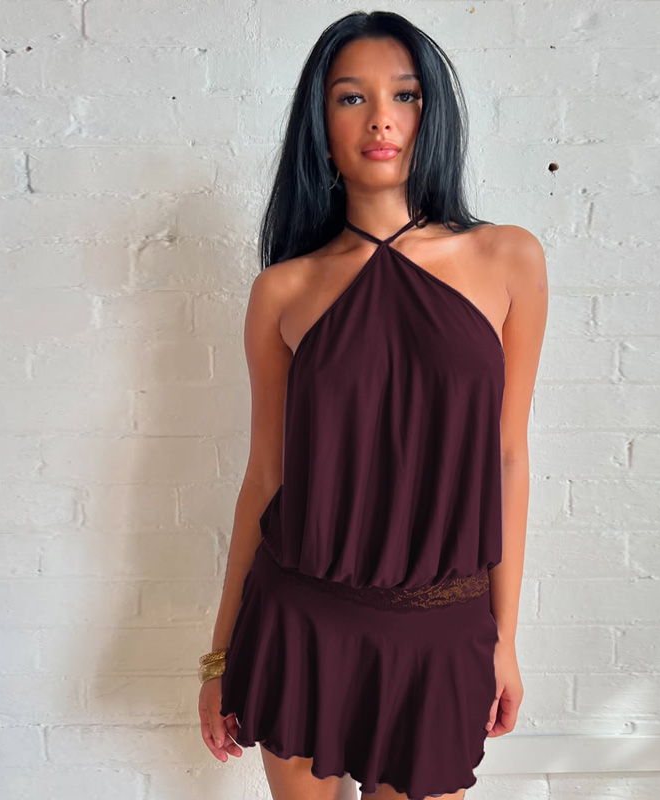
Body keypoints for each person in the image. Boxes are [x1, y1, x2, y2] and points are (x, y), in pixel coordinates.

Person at [197, 10, 547, 800]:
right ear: (320, 128)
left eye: (405, 95)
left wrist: (504, 639)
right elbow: (264, 479)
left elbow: (508, 457)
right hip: (300, 624)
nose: (381, 117)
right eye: (351, 98)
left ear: (433, 114)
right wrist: (219, 658)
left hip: (442, 632)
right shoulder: (283, 291)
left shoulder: (508, 259)